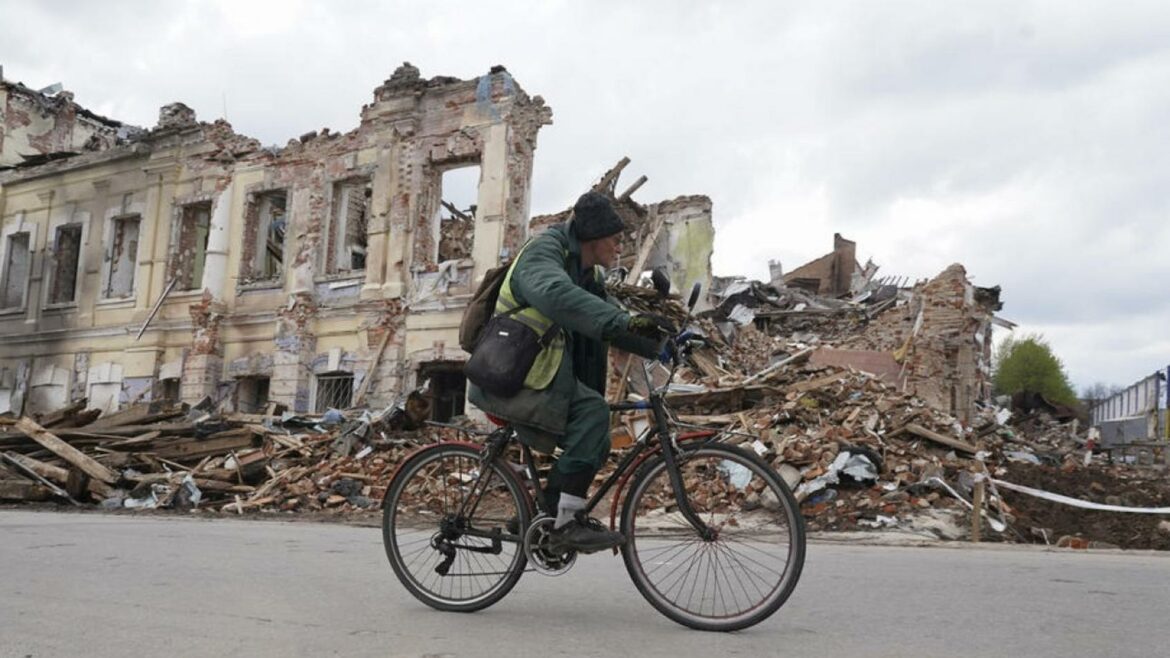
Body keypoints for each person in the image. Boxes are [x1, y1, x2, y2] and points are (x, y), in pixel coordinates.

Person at [467, 191, 674, 553]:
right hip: (510, 374)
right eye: (614, 238)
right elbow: (556, 294)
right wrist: (624, 319)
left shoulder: (585, 270)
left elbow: (605, 313)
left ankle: (545, 515)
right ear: (593, 237)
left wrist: (661, 343)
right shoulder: (543, 254)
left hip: (536, 373)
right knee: (592, 413)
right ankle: (563, 526)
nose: (618, 246)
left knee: (597, 434)